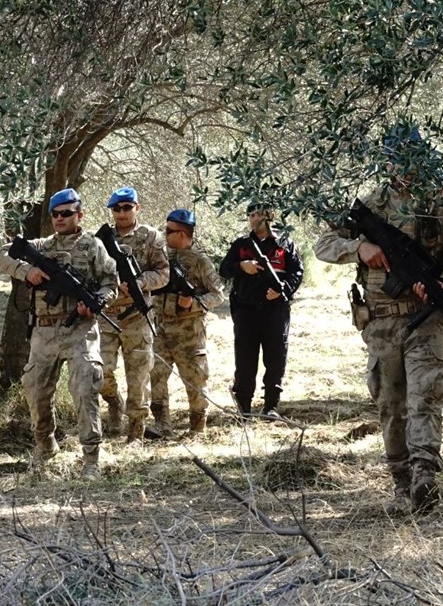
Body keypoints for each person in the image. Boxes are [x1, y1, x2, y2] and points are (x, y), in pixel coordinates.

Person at [314, 126, 443, 514]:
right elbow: (324, 245)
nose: (405, 166)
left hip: (426, 318)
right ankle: (401, 481)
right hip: (382, 320)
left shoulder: (441, 205)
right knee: (390, 403)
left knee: (427, 396)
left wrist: (440, 282)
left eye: (411, 157)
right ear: (387, 161)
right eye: (397, 157)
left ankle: (424, 476)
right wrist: (360, 247)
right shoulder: (370, 205)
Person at [0, 188, 117, 478]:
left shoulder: (93, 246)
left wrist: (96, 302)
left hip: (80, 331)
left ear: (79, 215)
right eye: (56, 214)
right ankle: (45, 446)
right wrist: (26, 271)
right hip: (44, 332)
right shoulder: (41, 246)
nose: (60, 219)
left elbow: (110, 283)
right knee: (35, 390)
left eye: (66, 214)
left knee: (85, 389)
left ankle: (90, 459)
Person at [97, 187, 169, 442]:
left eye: (127, 207)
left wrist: (139, 282)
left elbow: (163, 274)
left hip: (137, 316)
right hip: (108, 315)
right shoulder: (101, 240)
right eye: (117, 208)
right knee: (101, 371)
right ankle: (114, 402)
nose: (122, 212)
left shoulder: (151, 237)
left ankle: (135, 432)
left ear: (137, 208)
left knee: (138, 376)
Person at [219, 202, 304, 418]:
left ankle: (271, 407)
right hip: (246, 311)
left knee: (276, 357)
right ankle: (244, 408)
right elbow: (224, 269)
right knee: (245, 358)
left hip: (275, 311)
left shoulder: (285, 243)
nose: (254, 218)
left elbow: (297, 272)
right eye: (251, 215)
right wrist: (241, 266)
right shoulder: (241, 245)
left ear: (270, 216)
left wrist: (282, 289)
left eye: (259, 214)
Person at [145, 209, 224, 438]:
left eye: (169, 231)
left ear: (181, 234)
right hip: (161, 327)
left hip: (189, 330)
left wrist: (193, 303)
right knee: (156, 374)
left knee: (195, 378)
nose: (165, 234)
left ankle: (197, 428)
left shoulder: (200, 261)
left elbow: (217, 295)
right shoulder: (163, 259)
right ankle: (162, 425)